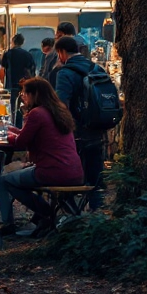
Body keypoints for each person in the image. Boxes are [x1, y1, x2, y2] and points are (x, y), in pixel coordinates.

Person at [0, 77, 84, 237]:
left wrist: (7, 135)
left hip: (51, 171)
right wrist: (15, 131)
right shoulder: (59, 110)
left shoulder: (37, 114)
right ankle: (44, 216)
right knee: (22, 176)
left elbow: (20, 143)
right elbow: (34, 135)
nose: (23, 97)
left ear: (33, 95)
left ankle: (24, 218)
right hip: (74, 171)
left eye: (25, 93)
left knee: (4, 180)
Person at [53, 36, 106, 210]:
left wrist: (63, 129)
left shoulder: (65, 73)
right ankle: (97, 211)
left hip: (77, 130)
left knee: (69, 172)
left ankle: (70, 212)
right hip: (98, 127)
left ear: (61, 53)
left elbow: (62, 104)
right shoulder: (96, 68)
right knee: (95, 171)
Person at [0, 34, 35, 125]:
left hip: (12, 84)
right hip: (25, 84)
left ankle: (15, 124)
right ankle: (23, 125)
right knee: (25, 106)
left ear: (13, 41)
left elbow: (2, 70)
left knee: (13, 107)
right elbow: (32, 70)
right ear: (22, 42)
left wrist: (3, 83)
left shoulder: (8, 54)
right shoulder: (28, 55)